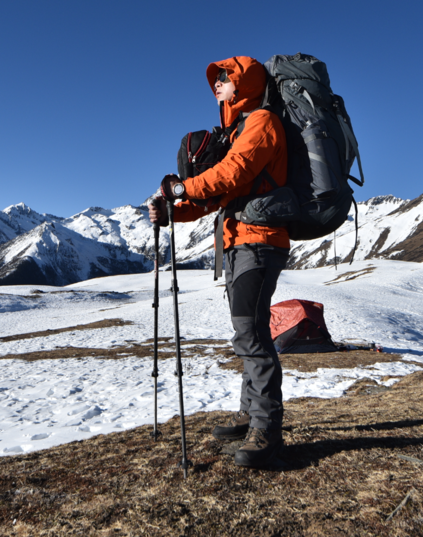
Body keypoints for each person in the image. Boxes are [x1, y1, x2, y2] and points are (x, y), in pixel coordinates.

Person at [149, 56, 289, 468]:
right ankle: (252, 417)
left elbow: (233, 173)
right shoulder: (240, 129)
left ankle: (268, 429)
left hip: (259, 242)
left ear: (245, 84)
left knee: (251, 334)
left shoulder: (262, 123)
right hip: (239, 240)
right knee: (249, 331)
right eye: (218, 79)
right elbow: (219, 195)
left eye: (227, 78)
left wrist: (181, 188)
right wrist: (175, 208)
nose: (219, 84)